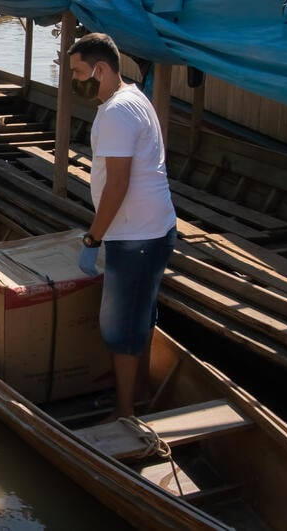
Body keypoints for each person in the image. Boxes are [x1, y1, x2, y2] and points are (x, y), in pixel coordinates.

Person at [67, 32, 176, 421]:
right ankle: (142, 392)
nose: (73, 80)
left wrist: (93, 237)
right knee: (141, 316)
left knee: (120, 329)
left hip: (135, 237)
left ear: (100, 69)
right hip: (156, 228)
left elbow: (117, 184)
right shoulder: (133, 98)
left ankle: (125, 412)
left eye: (78, 72)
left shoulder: (116, 112)